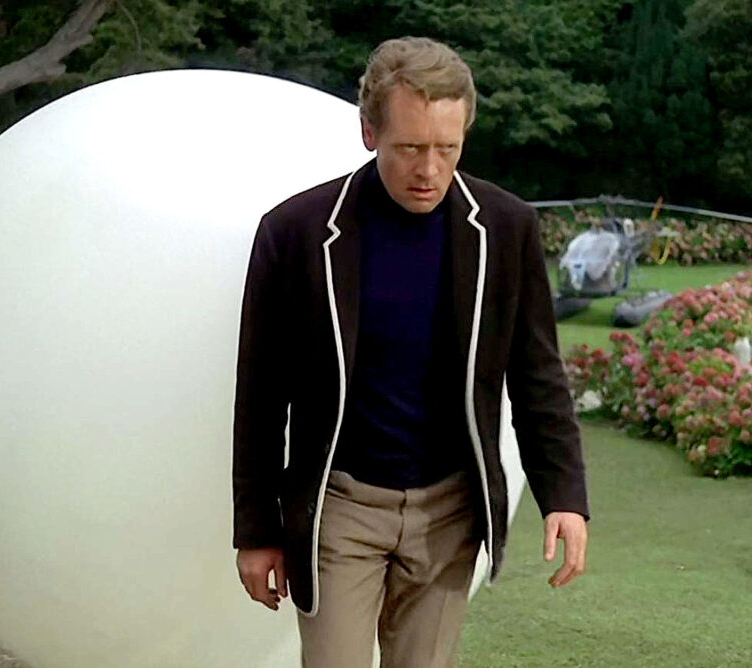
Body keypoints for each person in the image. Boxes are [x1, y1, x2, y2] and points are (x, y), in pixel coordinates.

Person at [232, 36, 589, 667]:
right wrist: (257, 530)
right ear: (369, 133)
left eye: (447, 149)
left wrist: (564, 495)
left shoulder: (507, 229)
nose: (429, 170)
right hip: (340, 505)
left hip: (450, 510)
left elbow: (538, 376)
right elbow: (260, 395)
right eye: (410, 148)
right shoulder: (293, 234)